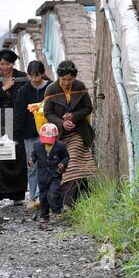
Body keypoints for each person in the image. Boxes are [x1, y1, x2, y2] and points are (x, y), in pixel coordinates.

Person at [43, 60, 97, 210]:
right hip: (60, 135)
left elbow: (88, 108)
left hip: (79, 132)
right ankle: (82, 196)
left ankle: (67, 203)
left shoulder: (80, 86)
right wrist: (62, 123)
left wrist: (74, 116)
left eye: (70, 80)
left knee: (72, 161)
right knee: (70, 166)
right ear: (58, 77)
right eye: (63, 79)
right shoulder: (51, 89)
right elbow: (47, 113)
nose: (66, 83)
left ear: (74, 78)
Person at [0, 49, 28, 207]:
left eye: (7, 64)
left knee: (18, 156)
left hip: (17, 120)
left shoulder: (22, 77)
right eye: (1, 64)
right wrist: (4, 88)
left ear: (13, 63)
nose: (4, 67)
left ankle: (18, 195)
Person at [14, 60, 53, 210]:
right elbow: (19, 113)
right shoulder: (24, 91)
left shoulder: (50, 88)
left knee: (46, 162)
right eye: (31, 76)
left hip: (47, 132)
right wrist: (16, 133)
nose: (34, 80)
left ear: (42, 74)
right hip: (28, 133)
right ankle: (33, 197)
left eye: (37, 76)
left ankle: (41, 195)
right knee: (32, 164)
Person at [28, 123, 69, 227]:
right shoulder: (37, 145)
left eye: (50, 142)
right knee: (43, 197)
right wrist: (31, 161)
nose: (47, 143)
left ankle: (57, 211)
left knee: (53, 193)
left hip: (55, 175)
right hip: (42, 177)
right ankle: (44, 216)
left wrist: (63, 164)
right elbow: (34, 155)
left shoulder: (61, 146)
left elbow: (66, 157)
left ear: (55, 138)